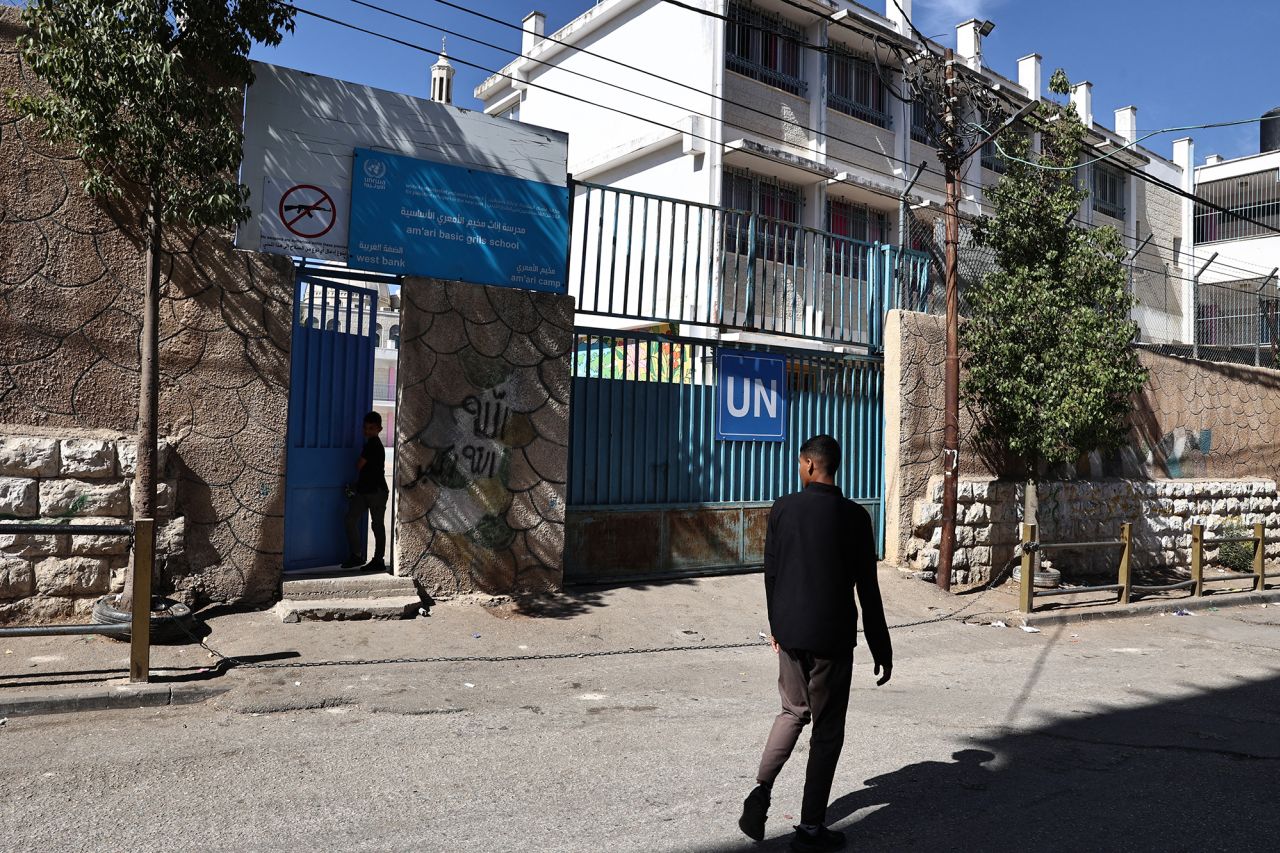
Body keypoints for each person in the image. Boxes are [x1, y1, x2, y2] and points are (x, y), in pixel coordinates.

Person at [738, 434, 892, 853]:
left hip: (790, 633)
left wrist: (776, 625)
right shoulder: (856, 518)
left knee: (791, 710)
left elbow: (771, 572)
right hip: (832, 639)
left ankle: (761, 792)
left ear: (808, 465)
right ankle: (809, 830)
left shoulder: (783, 509)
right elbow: (868, 590)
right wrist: (882, 646)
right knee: (826, 731)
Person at [342, 411, 389, 572]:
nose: (367, 431)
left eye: (371, 428)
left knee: (375, 525)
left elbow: (359, 466)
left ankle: (375, 559)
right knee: (353, 520)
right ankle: (361, 556)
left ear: (379, 429)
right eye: (365, 428)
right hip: (366, 490)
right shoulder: (371, 444)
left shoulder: (372, 445)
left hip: (376, 492)